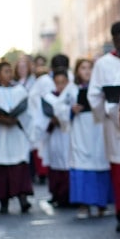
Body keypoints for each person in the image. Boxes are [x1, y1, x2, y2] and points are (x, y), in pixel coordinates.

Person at [88, 22, 120, 233]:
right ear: (113, 40)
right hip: (113, 124)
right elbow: (94, 94)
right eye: (119, 39)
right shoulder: (102, 64)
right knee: (119, 170)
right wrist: (108, 109)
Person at [0, 61, 34, 215]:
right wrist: (1, 119)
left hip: (15, 133)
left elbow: (27, 112)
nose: (9, 74)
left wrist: (16, 119)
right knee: (0, 167)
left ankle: (23, 199)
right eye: (5, 71)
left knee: (18, 165)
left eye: (10, 71)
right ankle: (4, 202)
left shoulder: (20, 90)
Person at [65, 58, 111, 220]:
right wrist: (70, 110)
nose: (86, 71)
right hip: (80, 131)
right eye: (83, 68)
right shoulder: (71, 89)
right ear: (77, 70)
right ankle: (83, 205)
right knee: (81, 164)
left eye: (90, 68)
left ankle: (101, 204)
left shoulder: (99, 89)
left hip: (97, 128)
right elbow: (59, 108)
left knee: (100, 163)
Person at [41, 71, 72, 207]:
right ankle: (56, 194)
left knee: (68, 162)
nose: (60, 86)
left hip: (69, 135)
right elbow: (43, 117)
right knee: (56, 163)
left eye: (63, 82)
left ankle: (69, 196)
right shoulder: (49, 97)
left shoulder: (71, 96)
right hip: (55, 134)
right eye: (57, 83)